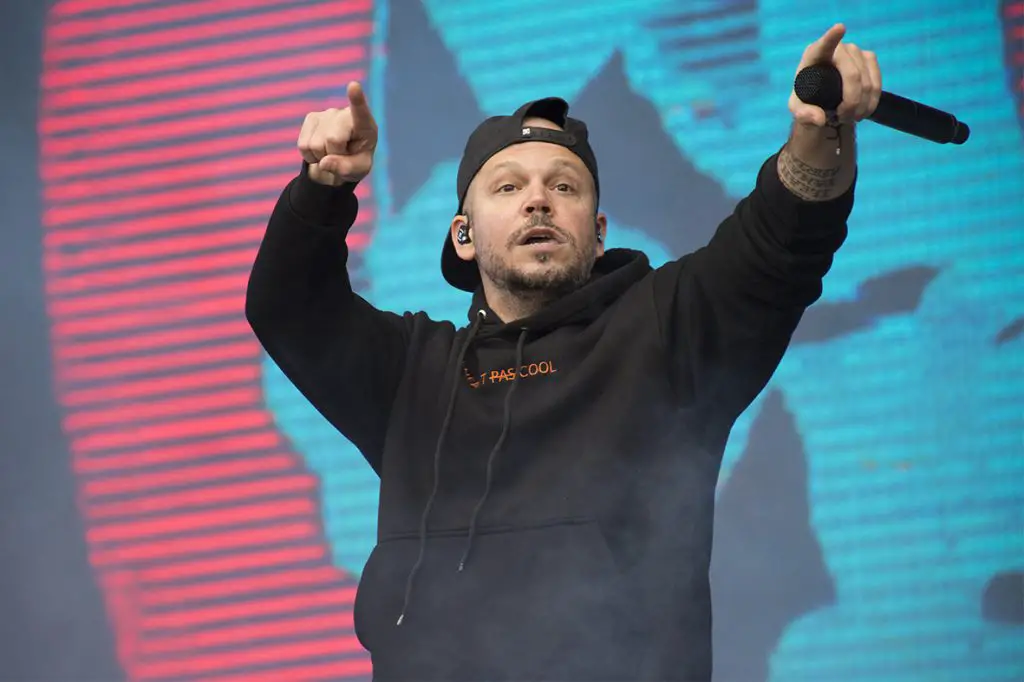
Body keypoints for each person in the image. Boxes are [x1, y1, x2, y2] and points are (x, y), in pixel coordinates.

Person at [246, 23, 880, 682]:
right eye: (507, 187)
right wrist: (321, 188)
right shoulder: (413, 372)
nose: (538, 200)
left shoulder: (666, 332)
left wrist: (821, 130)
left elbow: (780, 245)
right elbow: (287, 305)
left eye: (565, 186)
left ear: (599, 233)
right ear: (463, 236)